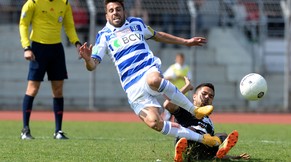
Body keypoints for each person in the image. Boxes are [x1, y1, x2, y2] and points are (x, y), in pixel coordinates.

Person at [79, 0, 221, 148]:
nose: (115, 12)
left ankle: (195, 111)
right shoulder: (103, 36)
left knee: (154, 80)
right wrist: (88, 59)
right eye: (111, 10)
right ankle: (203, 139)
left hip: (147, 69)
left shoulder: (136, 23)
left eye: (118, 9)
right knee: (155, 122)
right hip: (132, 87)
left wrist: (185, 41)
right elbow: (92, 65)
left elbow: (158, 35)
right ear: (107, 15)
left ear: (124, 11)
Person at [19, 0, 82, 140]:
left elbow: (69, 26)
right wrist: (26, 47)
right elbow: (23, 24)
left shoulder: (64, 3)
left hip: (56, 50)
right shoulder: (33, 2)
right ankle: (25, 129)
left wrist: (77, 43)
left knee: (58, 89)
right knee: (32, 88)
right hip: (37, 49)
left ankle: (58, 131)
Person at [163, 77, 250, 161]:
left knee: (222, 135)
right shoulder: (185, 109)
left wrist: (235, 157)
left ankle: (217, 153)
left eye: (211, 96)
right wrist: (187, 87)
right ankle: (181, 154)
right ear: (194, 97)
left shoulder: (209, 123)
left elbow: (211, 144)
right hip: (187, 143)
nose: (207, 97)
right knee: (191, 130)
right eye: (204, 94)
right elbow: (167, 104)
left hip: (202, 150)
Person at [163, 53, 191, 121]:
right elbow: (164, 77)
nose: (180, 60)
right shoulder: (173, 67)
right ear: (176, 59)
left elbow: (189, 79)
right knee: (169, 109)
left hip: (183, 93)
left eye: (181, 59)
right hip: (173, 92)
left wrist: (181, 77)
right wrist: (173, 77)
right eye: (179, 58)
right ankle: (166, 123)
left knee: (181, 111)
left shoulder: (186, 68)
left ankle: (181, 124)